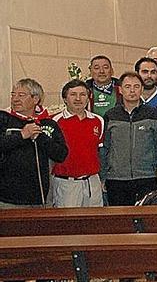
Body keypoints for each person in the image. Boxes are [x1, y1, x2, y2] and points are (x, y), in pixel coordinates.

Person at [0, 79, 67, 207]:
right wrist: (21, 135)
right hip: (7, 199)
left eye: (21, 95)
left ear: (35, 99)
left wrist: (40, 137)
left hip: (40, 198)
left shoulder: (48, 123)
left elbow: (61, 154)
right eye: (13, 94)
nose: (15, 99)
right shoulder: (4, 119)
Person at [103, 72, 157, 206]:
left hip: (147, 177)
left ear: (142, 89)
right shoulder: (111, 116)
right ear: (120, 89)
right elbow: (105, 148)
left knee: (147, 220)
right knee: (120, 222)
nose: (132, 90)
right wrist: (103, 176)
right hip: (116, 179)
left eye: (136, 86)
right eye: (128, 86)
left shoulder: (153, 115)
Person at [51, 80, 104, 207]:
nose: (78, 98)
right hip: (67, 184)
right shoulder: (55, 122)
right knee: (69, 225)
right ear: (65, 98)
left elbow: (99, 152)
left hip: (93, 182)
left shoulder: (98, 121)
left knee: (95, 223)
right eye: (73, 94)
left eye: (83, 94)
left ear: (88, 98)